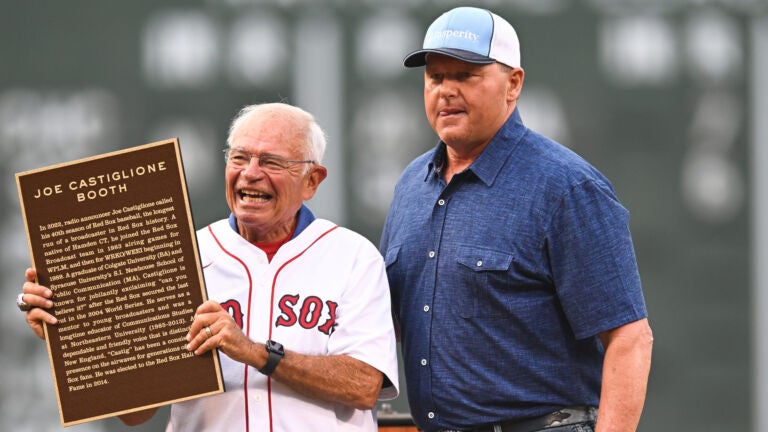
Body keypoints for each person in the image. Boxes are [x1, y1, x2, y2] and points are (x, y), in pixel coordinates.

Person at [18, 102, 399, 431]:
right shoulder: (181, 255)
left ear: (311, 180)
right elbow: (136, 414)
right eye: (239, 157)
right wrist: (75, 336)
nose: (250, 172)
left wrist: (257, 352)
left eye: (270, 161)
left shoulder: (352, 256)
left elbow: (364, 386)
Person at [380, 6, 653, 432]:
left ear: (513, 84)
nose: (446, 91)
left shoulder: (566, 186)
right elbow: (391, 324)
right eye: (436, 77)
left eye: (466, 75)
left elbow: (629, 339)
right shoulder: (412, 185)